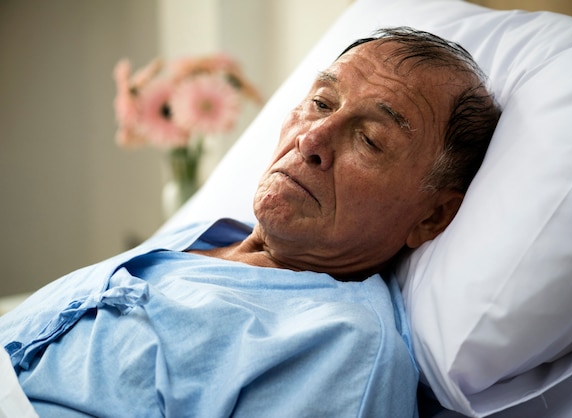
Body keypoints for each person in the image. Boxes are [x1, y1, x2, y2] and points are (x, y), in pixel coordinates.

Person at [0, 27, 500, 417]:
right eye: (321, 104)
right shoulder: (203, 235)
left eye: (369, 139)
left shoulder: (343, 349)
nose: (311, 139)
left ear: (432, 215)